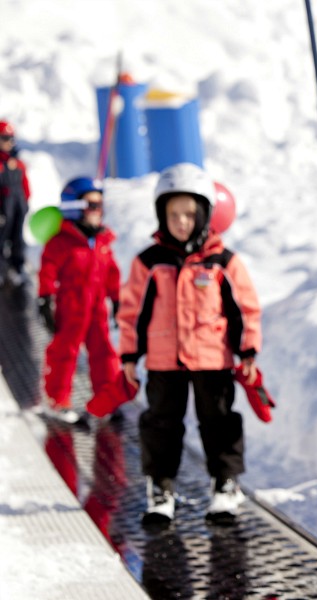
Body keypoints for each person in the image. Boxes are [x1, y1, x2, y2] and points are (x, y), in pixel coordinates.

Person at [117, 162, 261, 526]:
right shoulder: (149, 262)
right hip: (164, 362)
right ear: (160, 215)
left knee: (219, 422)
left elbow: (246, 308)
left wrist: (247, 350)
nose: (181, 221)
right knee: (161, 424)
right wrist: (131, 355)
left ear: (205, 214)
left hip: (213, 360)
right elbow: (132, 312)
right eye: (173, 213)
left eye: (189, 213)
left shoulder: (222, 262)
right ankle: (161, 488)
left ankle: (225, 485)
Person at [38, 177, 121, 425]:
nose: (97, 211)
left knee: (104, 351)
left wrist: (116, 299)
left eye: (99, 205)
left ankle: (106, 399)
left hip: (96, 306)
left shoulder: (103, 240)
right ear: (74, 207)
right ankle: (57, 400)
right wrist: (45, 299)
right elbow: (47, 271)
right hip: (71, 304)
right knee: (65, 351)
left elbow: (112, 272)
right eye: (91, 205)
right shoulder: (62, 242)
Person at [0, 120, 32, 286]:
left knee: (18, 238)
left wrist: (25, 203)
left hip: (17, 207)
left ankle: (18, 266)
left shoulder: (18, 164)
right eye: (5, 138)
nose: (9, 142)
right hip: (3, 210)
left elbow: (25, 186)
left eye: (11, 138)